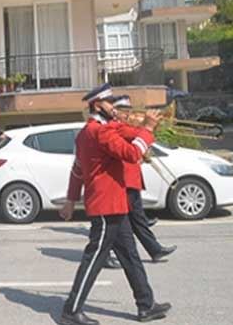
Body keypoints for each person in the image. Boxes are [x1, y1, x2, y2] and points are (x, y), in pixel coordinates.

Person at [59, 84, 171, 325]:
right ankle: (71, 309)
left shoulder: (89, 132)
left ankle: (146, 304)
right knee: (94, 257)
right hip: (106, 205)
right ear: (98, 105)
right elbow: (132, 154)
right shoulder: (100, 132)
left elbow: (78, 169)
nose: (114, 107)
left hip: (115, 204)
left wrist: (144, 127)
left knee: (129, 255)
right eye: (110, 103)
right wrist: (148, 128)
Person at [103, 96, 176, 270]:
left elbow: (139, 143)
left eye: (129, 111)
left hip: (131, 180)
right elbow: (139, 135)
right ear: (115, 112)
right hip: (124, 181)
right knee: (119, 223)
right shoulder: (118, 129)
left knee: (137, 220)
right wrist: (148, 124)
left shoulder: (124, 127)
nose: (128, 115)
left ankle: (154, 249)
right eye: (124, 111)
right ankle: (105, 254)